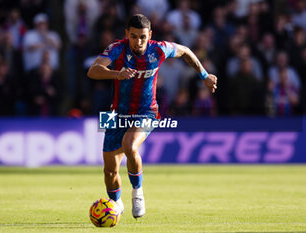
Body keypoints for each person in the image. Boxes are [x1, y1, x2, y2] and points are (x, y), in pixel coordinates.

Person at [87, 14, 217, 218]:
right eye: (134, 36)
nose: (138, 42)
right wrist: (116, 74)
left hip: (147, 111)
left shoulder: (159, 49)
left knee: (130, 146)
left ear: (150, 35)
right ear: (126, 34)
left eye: (142, 37)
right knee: (109, 171)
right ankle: (115, 205)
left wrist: (204, 75)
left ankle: (137, 192)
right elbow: (93, 70)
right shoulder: (117, 49)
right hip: (116, 113)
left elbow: (186, 51)